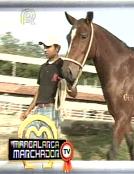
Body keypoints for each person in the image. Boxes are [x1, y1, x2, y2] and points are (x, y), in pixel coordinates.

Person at [19, 36, 77, 169]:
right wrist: (28, 111)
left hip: (52, 110)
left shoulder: (63, 65)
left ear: (57, 48)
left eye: (48, 46)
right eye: (44, 46)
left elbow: (74, 93)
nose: (45, 49)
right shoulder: (43, 67)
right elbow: (39, 90)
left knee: (49, 149)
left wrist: (68, 83)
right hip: (38, 110)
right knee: (33, 148)